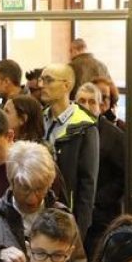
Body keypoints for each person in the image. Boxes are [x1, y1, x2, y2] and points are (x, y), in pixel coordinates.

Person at [40, 63, 100, 247]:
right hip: (39, 211)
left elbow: (87, 184)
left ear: (66, 85)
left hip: (67, 215)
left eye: (48, 80)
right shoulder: (39, 119)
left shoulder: (84, 127)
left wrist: (79, 229)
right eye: (41, 80)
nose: (42, 85)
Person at [76, 83, 125, 256]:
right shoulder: (68, 131)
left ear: (101, 106)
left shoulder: (114, 136)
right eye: (81, 101)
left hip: (102, 215)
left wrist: (97, 200)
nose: (86, 106)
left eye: (92, 102)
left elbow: (122, 177)